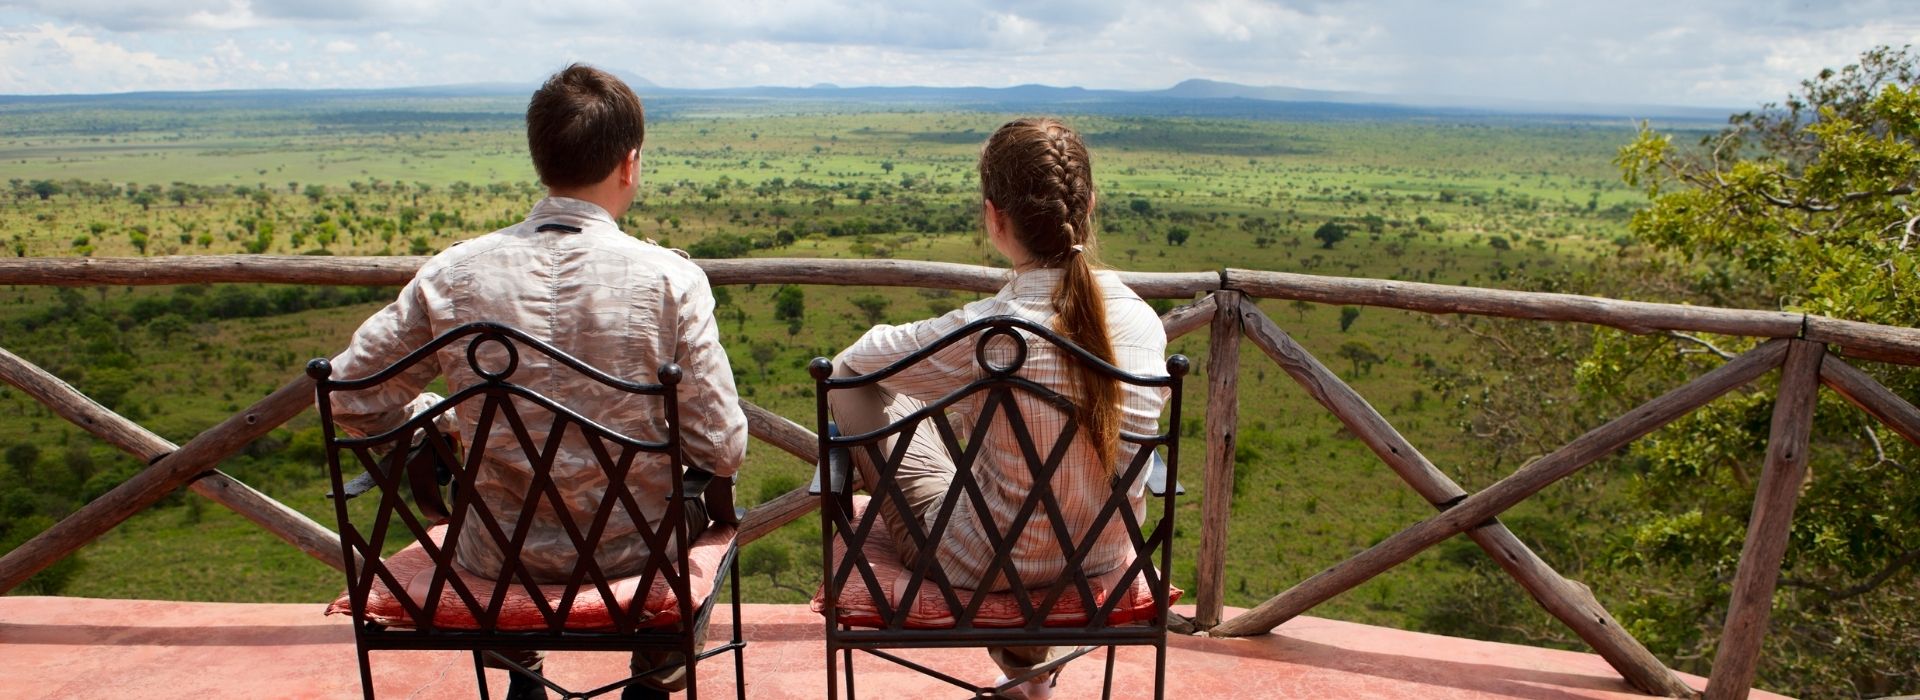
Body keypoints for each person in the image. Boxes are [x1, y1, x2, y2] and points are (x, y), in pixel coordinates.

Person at [324, 64, 747, 700]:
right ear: (630, 164)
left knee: (492, 495)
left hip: (491, 556)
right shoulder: (671, 281)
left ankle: (522, 675)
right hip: (633, 555)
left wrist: (438, 418)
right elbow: (722, 448)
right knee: (706, 506)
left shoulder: (452, 274)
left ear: (540, 158)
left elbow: (348, 397)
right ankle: (656, 679)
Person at [829, 118, 1169, 700]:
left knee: (853, 382)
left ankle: (1026, 668)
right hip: (1101, 557)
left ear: (995, 217)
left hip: (976, 560)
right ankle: (1029, 675)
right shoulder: (1141, 319)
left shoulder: (990, 332)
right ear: (1088, 207)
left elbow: (853, 364)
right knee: (1035, 476)